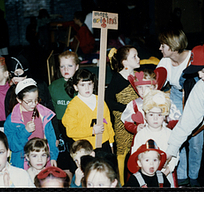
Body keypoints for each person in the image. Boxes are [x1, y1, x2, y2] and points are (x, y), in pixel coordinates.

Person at [166, 44, 204, 187]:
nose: (199, 76)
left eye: (203, 71)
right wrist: (170, 150)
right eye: (197, 71)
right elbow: (186, 122)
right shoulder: (201, 88)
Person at [157, 30, 204, 187]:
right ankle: (182, 176)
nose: (160, 48)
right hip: (176, 97)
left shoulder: (193, 57)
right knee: (179, 138)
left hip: (195, 98)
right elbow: (156, 84)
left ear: (172, 47)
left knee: (196, 142)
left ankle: (194, 176)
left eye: (163, 45)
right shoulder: (164, 61)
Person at [4, 78, 59, 169]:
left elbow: (51, 138)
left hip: (43, 161)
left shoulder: (44, 114)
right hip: (22, 163)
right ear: (19, 99)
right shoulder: (12, 120)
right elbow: (12, 145)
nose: (33, 104)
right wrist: (25, 131)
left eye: (36, 100)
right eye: (29, 101)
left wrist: (53, 156)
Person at [105, 45, 140, 185]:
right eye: (134, 56)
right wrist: (127, 109)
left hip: (137, 120)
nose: (139, 59)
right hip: (122, 122)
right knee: (122, 152)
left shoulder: (137, 77)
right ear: (125, 62)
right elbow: (109, 101)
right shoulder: (117, 79)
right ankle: (121, 183)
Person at [130, 90, 179, 187]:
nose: (155, 118)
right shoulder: (141, 134)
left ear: (165, 116)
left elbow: (175, 155)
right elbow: (135, 155)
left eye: (159, 115)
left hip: (165, 174)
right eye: (151, 115)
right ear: (145, 116)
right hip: (145, 176)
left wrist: (165, 173)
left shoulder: (169, 134)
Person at [62, 68, 115, 153]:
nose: (87, 88)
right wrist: (92, 131)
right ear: (76, 87)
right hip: (85, 147)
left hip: (103, 143)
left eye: (89, 84)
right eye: (82, 85)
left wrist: (111, 143)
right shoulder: (73, 106)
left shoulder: (100, 100)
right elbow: (71, 131)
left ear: (93, 84)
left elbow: (108, 122)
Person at [48, 50, 80, 179]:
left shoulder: (81, 85)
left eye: (70, 66)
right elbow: (51, 110)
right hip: (60, 126)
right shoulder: (54, 86)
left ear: (77, 67)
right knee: (63, 159)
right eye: (62, 66)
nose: (65, 69)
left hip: (77, 125)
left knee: (76, 159)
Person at [121, 67, 180, 135]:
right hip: (142, 138)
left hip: (162, 136)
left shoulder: (164, 101)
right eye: (140, 87)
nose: (143, 90)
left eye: (147, 86)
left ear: (155, 87)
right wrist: (135, 128)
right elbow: (127, 122)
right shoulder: (134, 104)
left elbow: (176, 121)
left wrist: (167, 126)